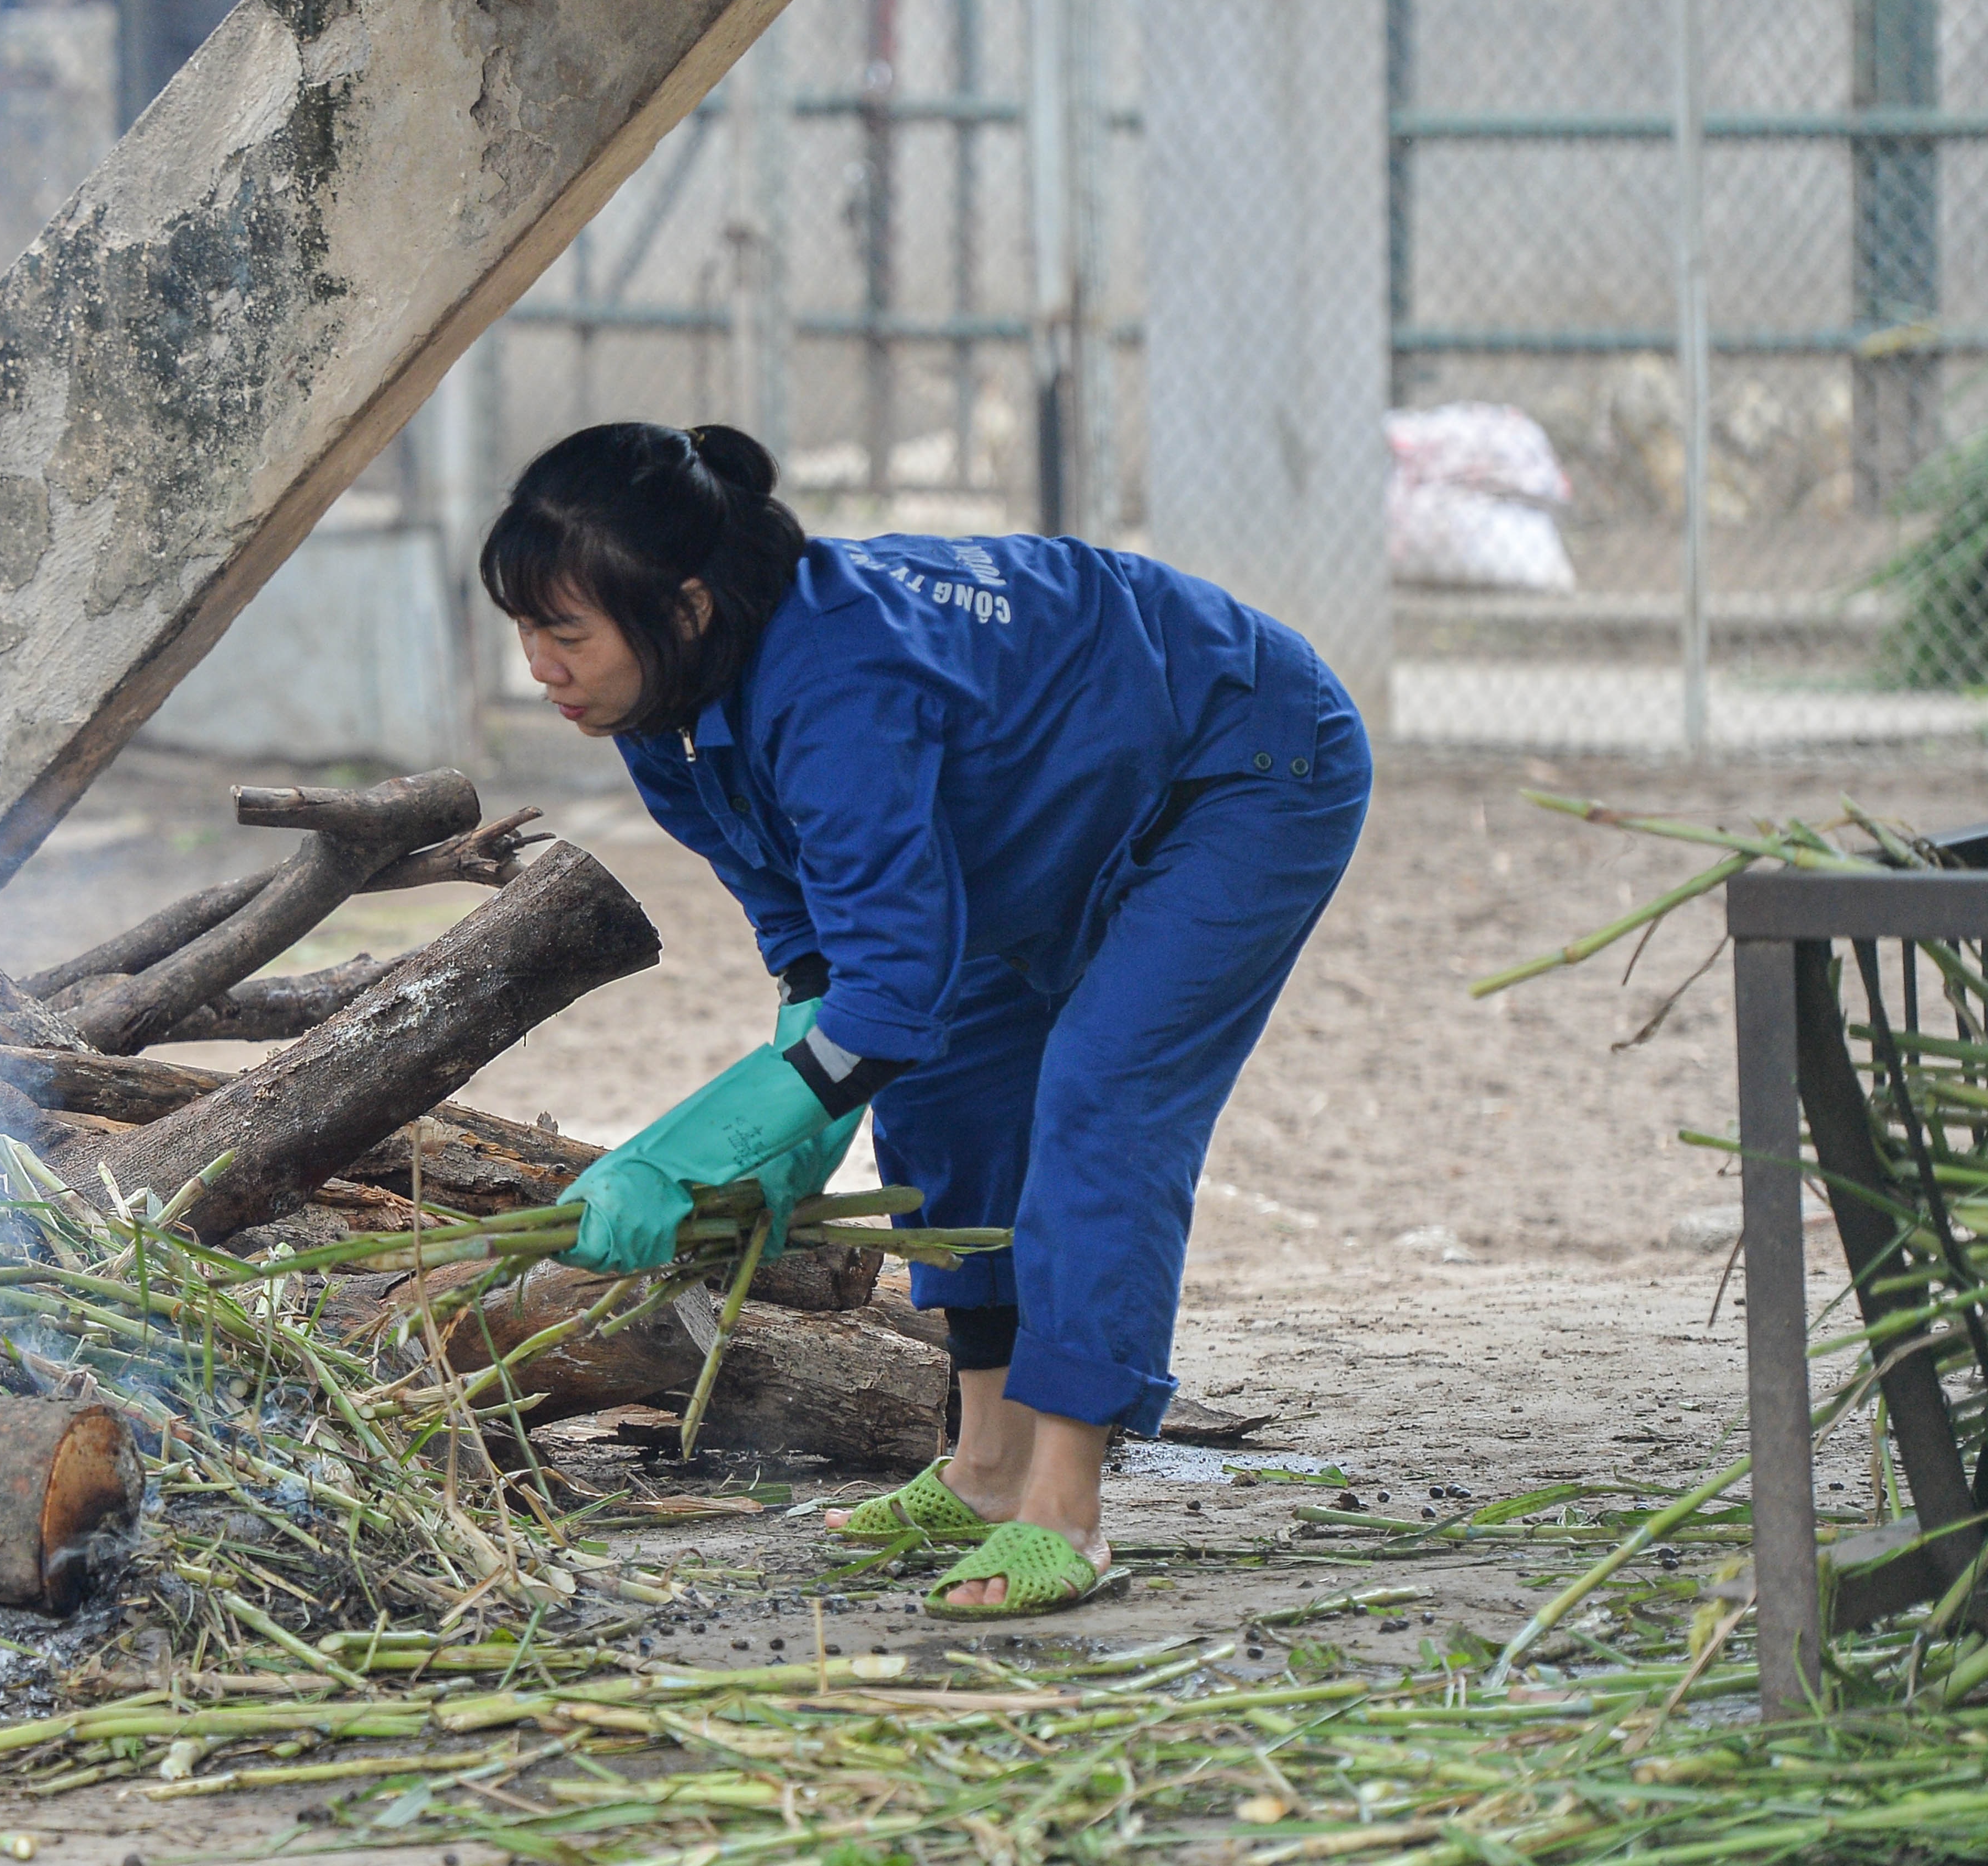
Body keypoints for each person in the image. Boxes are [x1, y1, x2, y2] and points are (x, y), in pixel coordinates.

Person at [484, 421, 1368, 1616]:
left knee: (1100, 1099)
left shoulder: (838, 682)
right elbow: (820, 950)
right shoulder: (666, 717)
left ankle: (1066, 1507)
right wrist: (783, 1135)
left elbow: (887, 1001)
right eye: (525, 628)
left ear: (685, 606)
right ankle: (988, 1464)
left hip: (1238, 762)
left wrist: (678, 1155)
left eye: (562, 630)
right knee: (948, 1088)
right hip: (1044, 822)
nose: (537, 662)